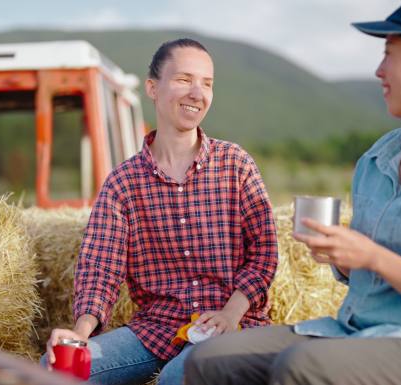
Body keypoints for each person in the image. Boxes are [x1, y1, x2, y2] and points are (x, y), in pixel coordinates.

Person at [184, 1, 401, 384]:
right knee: (211, 359)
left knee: (303, 367)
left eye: (390, 55)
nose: (379, 70)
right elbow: (365, 268)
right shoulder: (378, 159)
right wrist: (342, 258)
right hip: (359, 331)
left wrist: (373, 256)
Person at [43, 38, 278, 385]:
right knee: (62, 370)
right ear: (152, 88)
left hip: (231, 326)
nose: (198, 93)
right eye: (184, 79)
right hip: (157, 329)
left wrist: (231, 314)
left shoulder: (236, 164)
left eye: (207, 83)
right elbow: (100, 267)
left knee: (175, 378)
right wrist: (80, 333)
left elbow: (264, 253)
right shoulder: (122, 183)